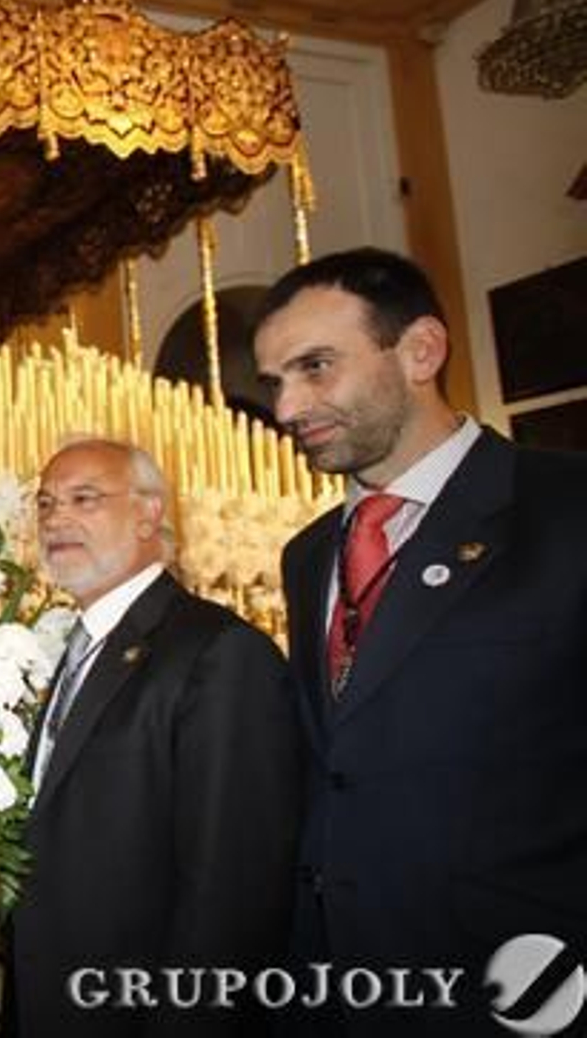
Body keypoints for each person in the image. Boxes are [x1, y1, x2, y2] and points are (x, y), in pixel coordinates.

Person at [252, 247, 587, 1034]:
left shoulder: (568, 509)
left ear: (421, 351)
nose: (286, 408)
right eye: (274, 382)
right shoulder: (308, 555)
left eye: (315, 367)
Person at [14, 437, 303, 1037]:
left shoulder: (217, 652)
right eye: (45, 503)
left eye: (84, 498)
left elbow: (232, 893)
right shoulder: (71, 652)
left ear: (148, 513)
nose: (56, 518)